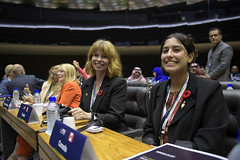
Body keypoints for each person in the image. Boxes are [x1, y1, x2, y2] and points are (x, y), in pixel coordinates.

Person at [142, 33, 228, 156]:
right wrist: (149, 145)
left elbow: (211, 138)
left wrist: (171, 151)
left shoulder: (210, 89)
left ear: (190, 57)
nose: (169, 55)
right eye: (165, 51)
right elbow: (149, 128)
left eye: (176, 50)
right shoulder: (157, 89)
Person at [69, 39, 128, 132]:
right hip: (89, 129)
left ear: (111, 61)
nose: (99, 59)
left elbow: (115, 117)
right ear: (91, 58)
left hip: (111, 132)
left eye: (104, 56)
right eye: (96, 55)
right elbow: (82, 108)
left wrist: (90, 116)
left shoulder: (118, 83)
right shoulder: (87, 83)